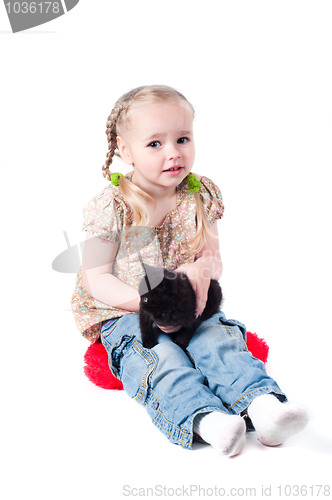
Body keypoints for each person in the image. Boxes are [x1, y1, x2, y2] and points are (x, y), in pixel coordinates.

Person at [71, 85, 308, 457]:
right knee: (158, 356)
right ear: (125, 149)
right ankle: (206, 420)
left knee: (217, 338)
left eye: (182, 138)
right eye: (155, 144)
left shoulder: (198, 194)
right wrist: (149, 305)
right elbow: (96, 278)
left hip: (185, 300)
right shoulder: (112, 206)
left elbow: (212, 258)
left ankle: (264, 408)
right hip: (125, 312)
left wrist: (199, 276)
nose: (173, 153)